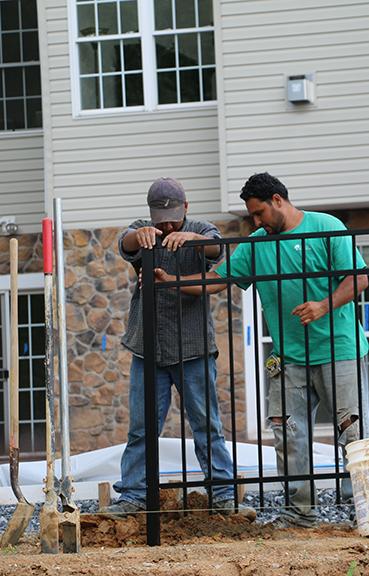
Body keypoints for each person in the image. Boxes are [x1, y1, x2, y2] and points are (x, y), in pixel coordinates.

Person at [154, 172, 369, 529]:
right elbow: (218, 280)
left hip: (339, 351)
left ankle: (364, 510)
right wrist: (172, 282)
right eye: (252, 215)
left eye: (259, 213)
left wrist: (323, 306)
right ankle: (300, 513)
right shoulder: (257, 244)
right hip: (289, 358)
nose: (256, 221)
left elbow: (359, 278)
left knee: (354, 433)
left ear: (278, 200)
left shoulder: (326, 227)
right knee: (287, 433)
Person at [98, 177, 255, 520]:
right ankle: (135, 496)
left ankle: (223, 495)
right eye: (160, 220)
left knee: (207, 426)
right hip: (147, 348)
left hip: (193, 347)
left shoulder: (201, 229)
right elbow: (125, 242)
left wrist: (193, 240)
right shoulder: (144, 230)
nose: (167, 226)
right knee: (141, 429)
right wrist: (140, 235)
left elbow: (217, 248)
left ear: (186, 207)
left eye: (173, 219)